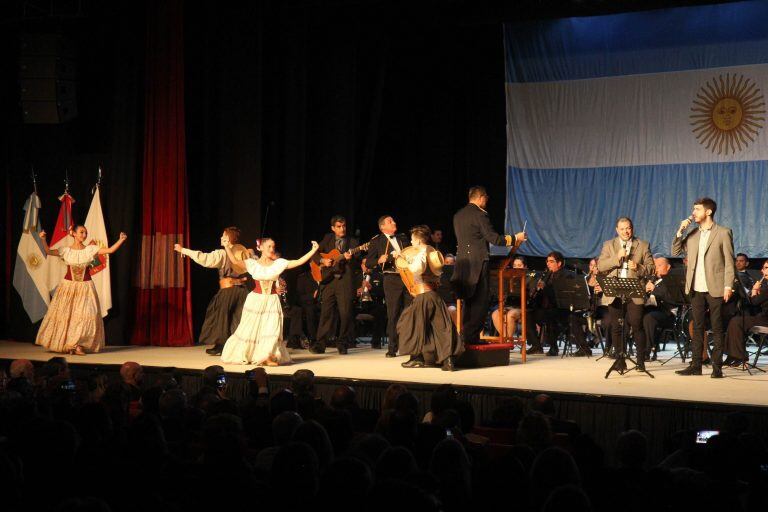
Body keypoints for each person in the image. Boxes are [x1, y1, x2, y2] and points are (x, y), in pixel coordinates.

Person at [221, 238, 319, 365]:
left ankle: (268, 356)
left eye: (273, 247)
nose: (272, 249)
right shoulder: (252, 263)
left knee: (272, 330)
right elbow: (234, 260)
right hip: (255, 300)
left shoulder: (278, 263)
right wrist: (226, 246)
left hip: (272, 300)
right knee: (250, 329)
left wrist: (313, 250)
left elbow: (298, 262)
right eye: (269, 247)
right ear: (260, 247)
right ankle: (251, 353)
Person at [36, 225, 128, 355]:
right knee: (67, 315)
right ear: (73, 233)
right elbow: (48, 251)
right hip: (68, 286)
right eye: (81, 232)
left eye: (85, 233)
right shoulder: (66, 250)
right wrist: (43, 239)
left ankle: (78, 345)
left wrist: (121, 240)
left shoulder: (90, 250)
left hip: (85, 286)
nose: (84, 235)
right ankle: (68, 344)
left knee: (84, 316)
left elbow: (110, 250)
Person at [452, 186, 525, 344]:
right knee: (480, 301)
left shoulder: (458, 215)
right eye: (486, 198)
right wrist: (515, 238)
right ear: (480, 198)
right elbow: (494, 239)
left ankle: (465, 336)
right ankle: (471, 338)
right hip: (478, 263)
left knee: (468, 301)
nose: (487, 201)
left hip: (463, 264)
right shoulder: (480, 215)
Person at [672, 197, 735, 378]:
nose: (693, 213)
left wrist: (728, 285)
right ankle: (695, 365)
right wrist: (680, 230)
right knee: (697, 327)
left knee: (716, 327)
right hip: (695, 287)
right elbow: (676, 251)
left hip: (715, 286)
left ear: (708, 212)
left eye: (697, 209)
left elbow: (729, 263)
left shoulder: (723, 232)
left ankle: (717, 367)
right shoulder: (692, 234)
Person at [174, 227, 251, 356]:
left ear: (229, 238)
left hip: (228, 291)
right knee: (238, 318)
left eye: (223, 236)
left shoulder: (223, 254)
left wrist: (183, 250)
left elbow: (204, 258)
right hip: (243, 291)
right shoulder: (245, 252)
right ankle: (238, 347)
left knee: (221, 317)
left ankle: (221, 346)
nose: (221, 238)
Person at [397, 225, 463, 371]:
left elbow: (416, 269)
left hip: (423, 296)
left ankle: (417, 358)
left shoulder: (421, 253)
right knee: (441, 327)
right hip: (434, 295)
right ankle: (448, 361)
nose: (412, 243)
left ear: (418, 240)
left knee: (409, 323)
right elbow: (438, 273)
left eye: (413, 240)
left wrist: (406, 259)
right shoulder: (434, 253)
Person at [597, 217, 655, 370]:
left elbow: (651, 268)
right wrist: (616, 257)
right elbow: (601, 266)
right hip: (614, 290)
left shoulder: (642, 245)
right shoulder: (609, 245)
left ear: (632, 229)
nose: (625, 231)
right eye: (622, 229)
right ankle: (620, 360)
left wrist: (638, 267)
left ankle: (641, 361)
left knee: (637, 325)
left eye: (628, 228)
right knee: (616, 326)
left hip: (634, 291)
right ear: (617, 230)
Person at [311, 215, 361, 355]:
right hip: (329, 281)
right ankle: (320, 344)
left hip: (344, 281)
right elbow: (314, 254)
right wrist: (322, 260)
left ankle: (342, 342)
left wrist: (350, 259)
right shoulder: (328, 238)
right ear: (333, 228)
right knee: (326, 313)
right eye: (338, 226)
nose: (342, 229)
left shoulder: (353, 241)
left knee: (345, 314)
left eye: (344, 226)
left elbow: (358, 263)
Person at [365, 215, 411, 357]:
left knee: (410, 311)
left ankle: (410, 345)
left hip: (407, 277)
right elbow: (368, 263)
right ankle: (392, 347)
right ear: (382, 227)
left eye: (393, 220)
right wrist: (379, 259)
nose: (394, 222)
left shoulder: (403, 238)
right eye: (390, 221)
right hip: (391, 278)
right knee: (393, 313)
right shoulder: (377, 241)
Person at [724, 260, 768, 367]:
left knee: (737, 321)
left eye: (767, 268)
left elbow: (754, 302)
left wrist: (754, 290)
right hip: (762, 316)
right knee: (737, 319)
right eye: (763, 268)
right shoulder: (765, 285)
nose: (763, 270)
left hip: (766, 319)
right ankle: (733, 355)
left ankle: (739, 356)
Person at [641, 256, 677, 361]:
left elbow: (672, 299)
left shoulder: (672, 279)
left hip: (667, 314)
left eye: (659, 265)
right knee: (636, 314)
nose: (656, 268)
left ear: (668, 267)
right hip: (653, 310)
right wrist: (645, 292)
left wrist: (655, 289)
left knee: (649, 318)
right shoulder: (653, 280)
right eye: (655, 266)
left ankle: (647, 350)